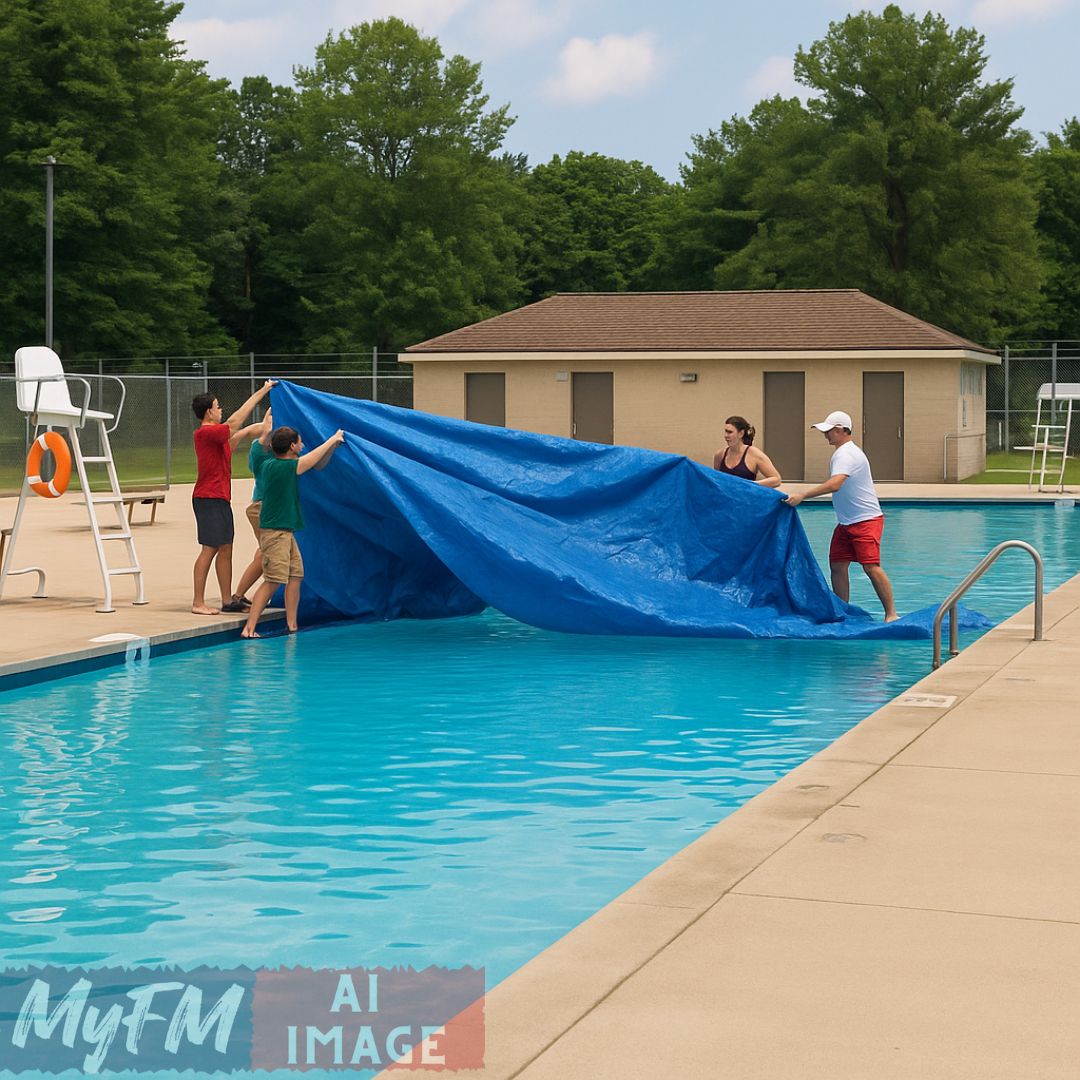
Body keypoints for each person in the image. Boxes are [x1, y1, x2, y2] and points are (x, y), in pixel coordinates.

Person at [783, 410, 898, 622]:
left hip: (866, 520)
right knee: (837, 565)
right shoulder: (843, 452)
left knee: (871, 566)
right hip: (846, 523)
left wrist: (803, 495)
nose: (825, 435)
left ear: (840, 430)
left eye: (829, 431)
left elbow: (836, 484)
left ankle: (891, 613)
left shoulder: (846, 454)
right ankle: (842, 611)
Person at [241, 425, 346, 639]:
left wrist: (332, 446)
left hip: (285, 532)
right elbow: (310, 460)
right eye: (299, 442)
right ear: (291, 446)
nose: (303, 445)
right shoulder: (283, 467)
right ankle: (249, 628)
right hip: (275, 533)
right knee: (273, 580)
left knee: (295, 575)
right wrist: (333, 438)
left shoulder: (269, 463)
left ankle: (292, 625)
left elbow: (315, 461)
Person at [190, 380, 275, 615]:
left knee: (226, 547)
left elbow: (247, 431)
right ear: (209, 412)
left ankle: (228, 601)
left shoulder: (218, 439)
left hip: (219, 498)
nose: (221, 410)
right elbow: (236, 422)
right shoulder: (206, 433)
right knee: (210, 548)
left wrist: (271, 422)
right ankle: (198, 602)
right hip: (208, 498)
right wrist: (263, 391)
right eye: (217, 407)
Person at [230, 408, 274, 609]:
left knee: (262, 552)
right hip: (261, 508)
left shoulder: (283, 449)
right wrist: (266, 426)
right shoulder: (259, 449)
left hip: (270, 508)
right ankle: (239, 596)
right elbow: (262, 435)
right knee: (266, 552)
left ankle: (239, 595)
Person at [713, 416, 782, 487]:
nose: (726, 436)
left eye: (730, 432)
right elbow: (717, 480)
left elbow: (776, 479)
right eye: (725, 431)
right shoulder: (720, 455)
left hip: (746, 496)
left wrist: (751, 484)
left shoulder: (754, 454)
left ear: (741, 433)